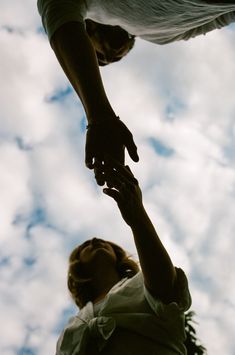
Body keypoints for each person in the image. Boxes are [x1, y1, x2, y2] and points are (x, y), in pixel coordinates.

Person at [37, 0, 235, 183]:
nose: (105, 60)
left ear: (86, 27)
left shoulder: (88, 3)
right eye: (108, 61)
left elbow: (61, 21)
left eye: (96, 55)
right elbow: (224, 16)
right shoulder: (163, 36)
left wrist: (100, 116)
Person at [56, 160, 205, 355]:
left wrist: (137, 217)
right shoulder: (73, 326)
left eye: (104, 243)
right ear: (77, 267)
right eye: (85, 246)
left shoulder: (140, 283)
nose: (93, 240)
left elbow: (165, 286)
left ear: (117, 255)